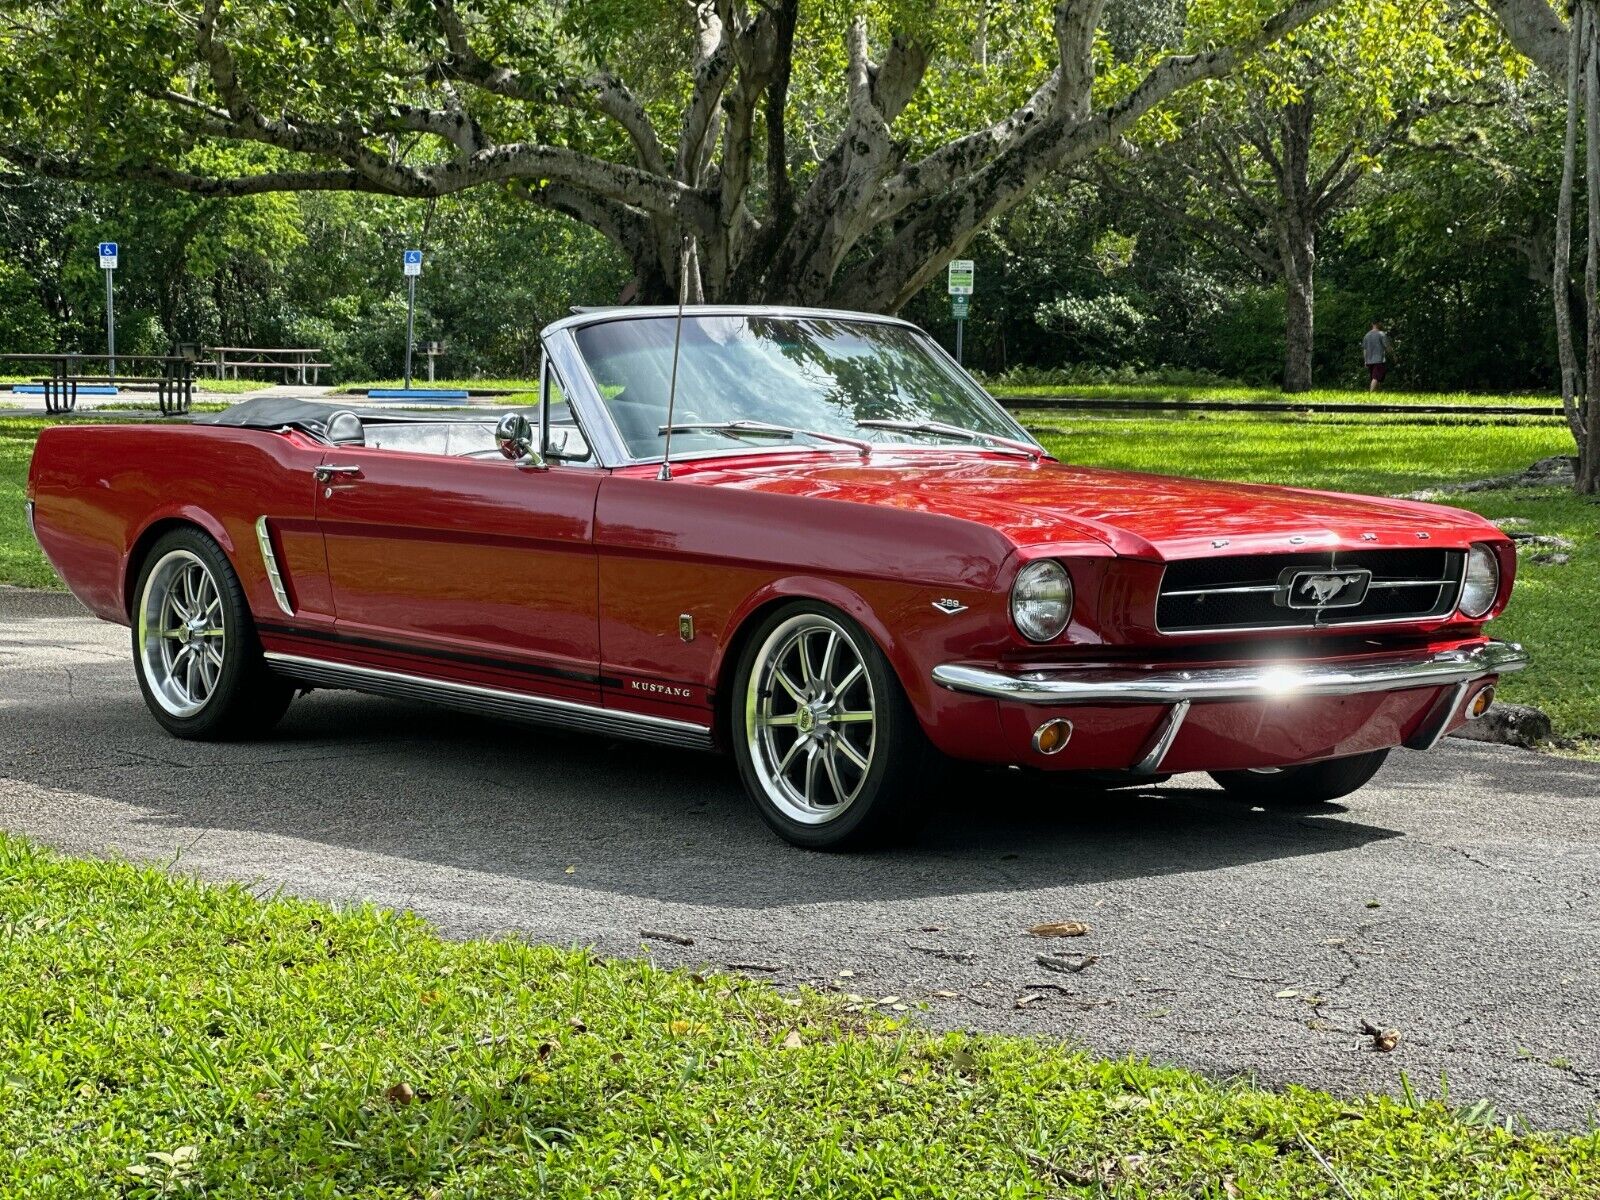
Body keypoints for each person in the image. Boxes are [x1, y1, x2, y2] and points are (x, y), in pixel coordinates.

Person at [1363, 321, 1395, 391]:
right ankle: (1370, 395)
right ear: (1378, 324)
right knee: (1376, 378)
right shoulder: (1381, 334)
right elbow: (1387, 346)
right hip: (1379, 360)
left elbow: (1365, 350)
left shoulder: (1366, 335)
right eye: (1380, 323)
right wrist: (1393, 355)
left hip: (1369, 360)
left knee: (1375, 378)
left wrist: (1365, 361)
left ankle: (1376, 396)